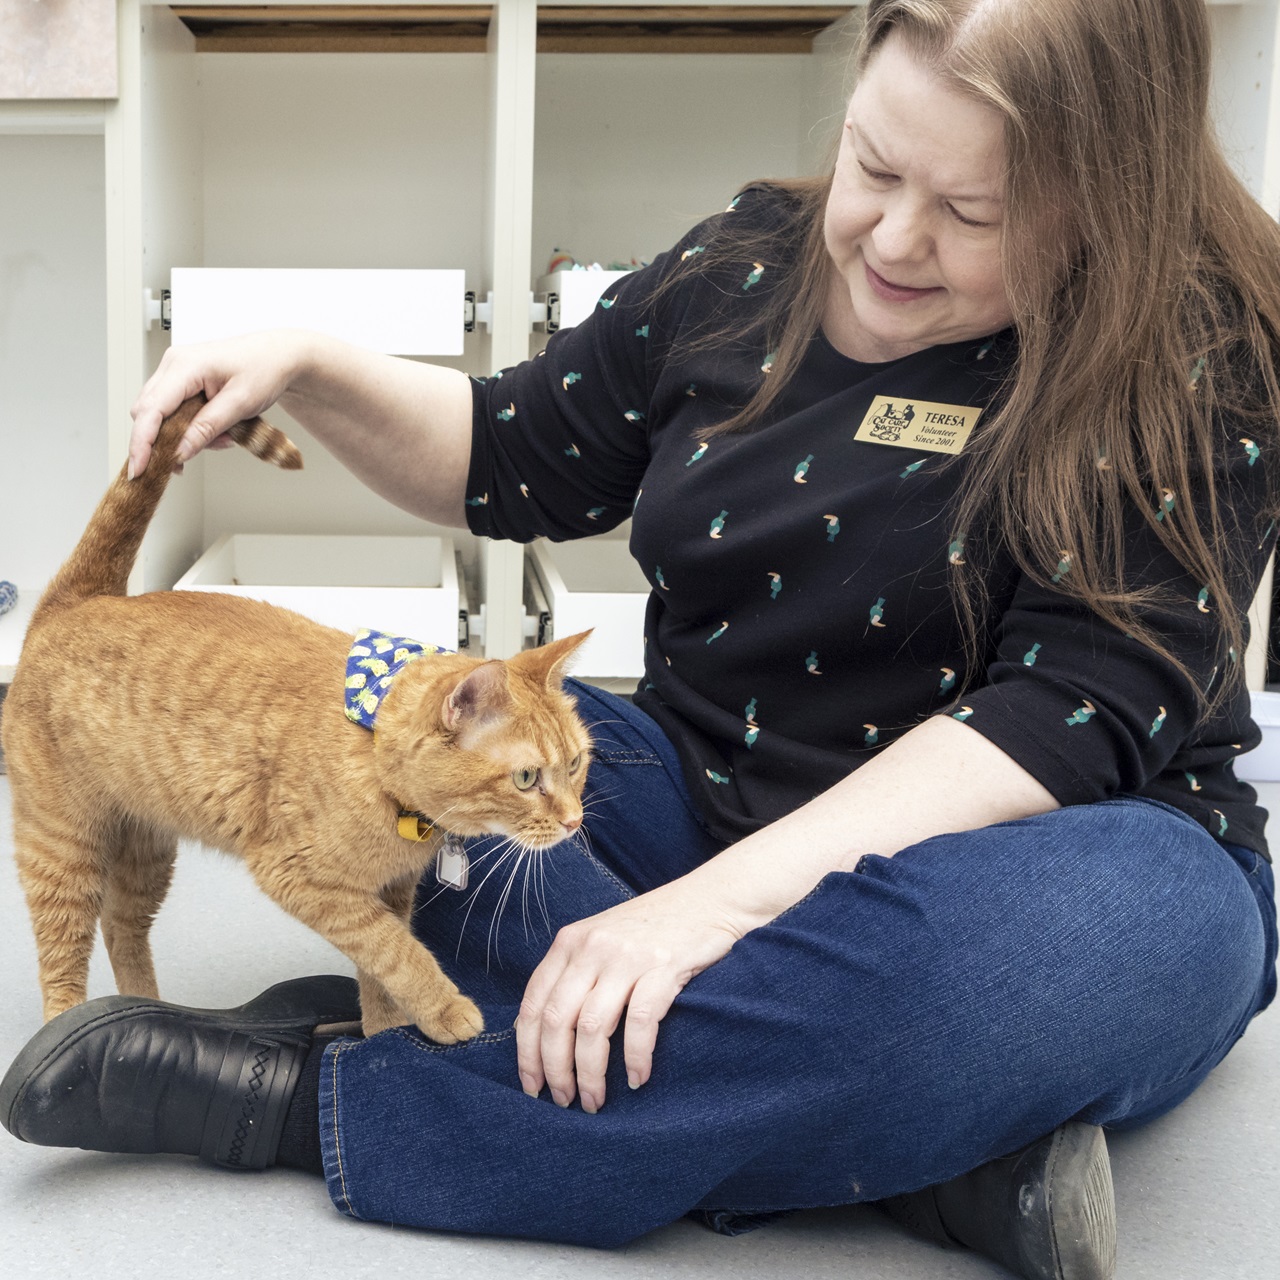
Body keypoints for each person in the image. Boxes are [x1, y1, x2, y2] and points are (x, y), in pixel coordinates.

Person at [3, 2, 1278, 1277]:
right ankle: (920, 1152)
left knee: (989, 980)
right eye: (871, 165)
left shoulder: (1197, 341)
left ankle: (310, 1100)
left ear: (1111, 195)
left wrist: (687, 922)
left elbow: (1064, 714)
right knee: (405, 762)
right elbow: (512, 455)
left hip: (1044, 853)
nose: (891, 235)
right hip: (688, 799)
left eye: (973, 213)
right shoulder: (742, 263)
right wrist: (311, 363)